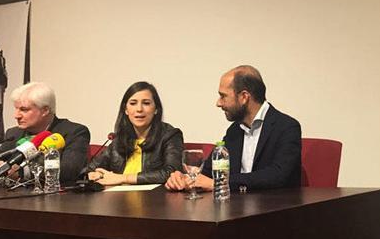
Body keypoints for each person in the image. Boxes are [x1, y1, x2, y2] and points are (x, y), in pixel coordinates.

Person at [165, 65, 301, 193]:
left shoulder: (287, 127)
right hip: (236, 211)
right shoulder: (235, 130)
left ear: (244, 97)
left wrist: (219, 183)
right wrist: (184, 177)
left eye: (223, 96)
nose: (218, 103)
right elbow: (207, 172)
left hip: (275, 211)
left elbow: (277, 175)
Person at [0, 81, 90, 185]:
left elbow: (68, 172)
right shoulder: (14, 133)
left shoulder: (74, 132)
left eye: (24, 110)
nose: (16, 115)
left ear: (45, 110)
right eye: (16, 109)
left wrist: (22, 173)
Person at [83, 81, 182, 186]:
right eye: (133, 103)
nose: (139, 109)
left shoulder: (170, 135)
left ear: (156, 109)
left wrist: (123, 178)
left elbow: (172, 173)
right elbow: (88, 170)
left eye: (146, 103)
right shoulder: (119, 140)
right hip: (119, 200)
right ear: (126, 110)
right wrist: (95, 174)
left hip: (155, 199)